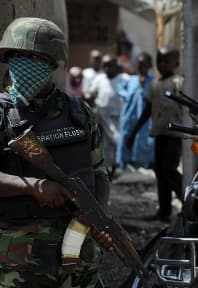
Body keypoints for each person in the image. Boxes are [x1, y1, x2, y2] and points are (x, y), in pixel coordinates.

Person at [0, 17, 113, 287]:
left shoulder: (79, 113)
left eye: (34, 57)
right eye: (19, 56)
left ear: (51, 63)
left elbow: (99, 173)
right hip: (19, 260)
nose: (25, 62)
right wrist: (34, 187)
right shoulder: (2, 115)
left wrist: (97, 215)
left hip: (77, 255)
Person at [126, 45, 183, 222]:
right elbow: (147, 110)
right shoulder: (155, 85)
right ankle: (164, 210)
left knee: (169, 169)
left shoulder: (178, 83)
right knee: (160, 171)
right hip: (159, 133)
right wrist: (133, 133)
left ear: (176, 63)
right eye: (160, 61)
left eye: (167, 61)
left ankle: (188, 201)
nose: (162, 64)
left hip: (175, 134)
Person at [87, 54, 129, 179]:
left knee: (118, 142)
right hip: (102, 118)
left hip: (119, 118)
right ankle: (106, 172)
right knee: (104, 146)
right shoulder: (99, 79)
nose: (107, 68)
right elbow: (90, 94)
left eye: (110, 65)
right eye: (105, 65)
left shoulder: (124, 79)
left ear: (116, 66)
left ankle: (115, 169)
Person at [116, 52, 154, 170]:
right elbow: (121, 92)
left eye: (144, 65)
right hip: (129, 119)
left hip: (146, 120)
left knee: (146, 143)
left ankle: (145, 167)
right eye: (140, 65)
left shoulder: (153, 82)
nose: (142, 68)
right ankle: (125, 167)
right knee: (126, 142)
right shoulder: (130, 80)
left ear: (149, 66)